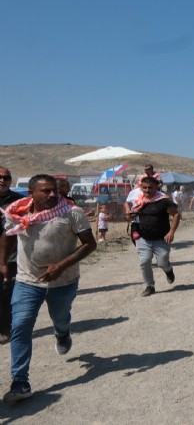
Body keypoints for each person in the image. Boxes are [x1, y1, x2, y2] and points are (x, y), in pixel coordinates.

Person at [0, 174, 97, 402]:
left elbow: (90, 244)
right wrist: (3, 262)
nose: (53, 194)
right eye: (46, 191)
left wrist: (60, 266)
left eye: (55, 190)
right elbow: (8, 237)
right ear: (31, 193)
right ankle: (20, 382)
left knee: (60, 316)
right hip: (27, 281)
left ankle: (62, 333)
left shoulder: (72, 213)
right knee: (20, 326)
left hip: (63, 281)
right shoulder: (18, 212)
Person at [126, 176, 180, 297]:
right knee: (144, 261)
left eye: (150, 187)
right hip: (143, 237)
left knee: (162, 262)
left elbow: (176, 215)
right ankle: (149, 286)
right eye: (144, 188)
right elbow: (131, 217)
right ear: (141, 188)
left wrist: (171, 232)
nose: (147, 190)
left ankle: (168, 270)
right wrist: (129, 217)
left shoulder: (164, 200)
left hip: (161, 237)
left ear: (156, 187)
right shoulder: (139, 201)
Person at [0, 166, 25, 345]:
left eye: (6, 178)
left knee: (5, 291)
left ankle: (4, 327)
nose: (2, 180)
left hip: (11, 253)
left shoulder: (19, 201)